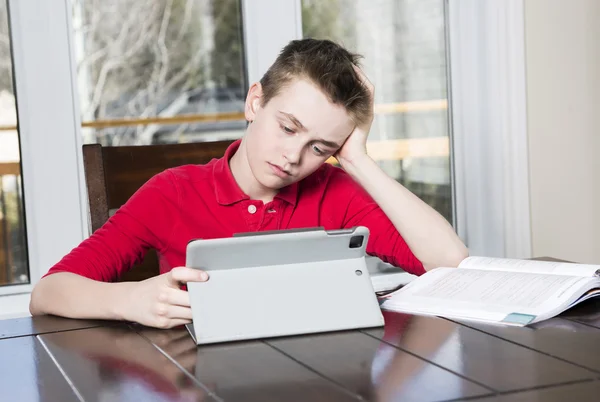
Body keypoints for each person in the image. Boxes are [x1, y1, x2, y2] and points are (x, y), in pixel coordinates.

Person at [30, 38, 468, 329]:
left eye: (320, 147)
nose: (293, 158)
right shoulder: (173, 192)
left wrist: (357, 160)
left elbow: (450, 264)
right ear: (255, 102)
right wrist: (131, 301)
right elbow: (48, 292)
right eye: (288, 128)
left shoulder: (338, 189)